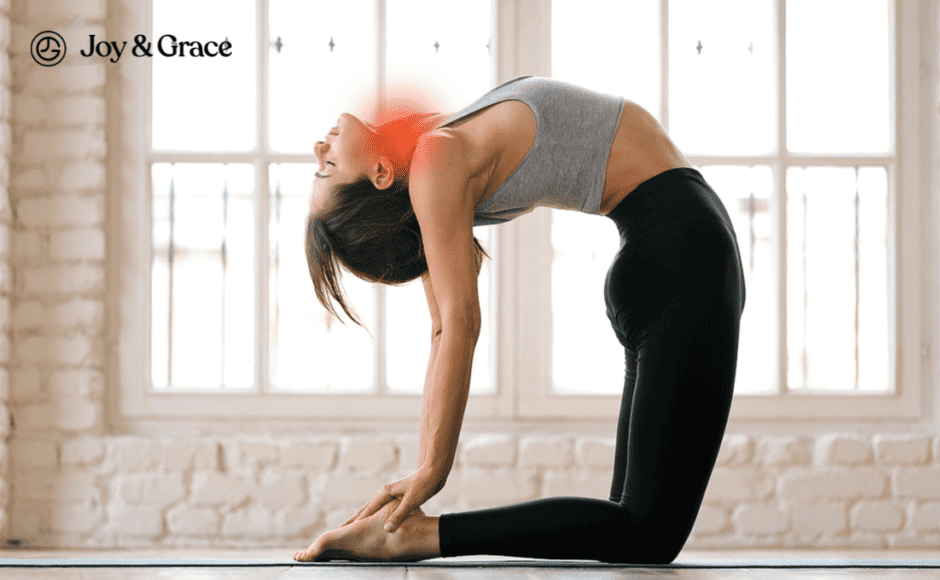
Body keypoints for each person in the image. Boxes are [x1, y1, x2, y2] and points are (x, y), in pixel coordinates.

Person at [295, 75, 746, 564]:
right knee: (645, 533)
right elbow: (452, 326)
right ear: (380, 174)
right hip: (683, 252)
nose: (320, 148)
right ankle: (417, 538)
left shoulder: (438, 159)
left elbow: (444, 329)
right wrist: (431, 470)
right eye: (327, 169)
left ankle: (416, 536)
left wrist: (428, 468)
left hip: (668, 254)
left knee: (631, 531)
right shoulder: (434, 158)